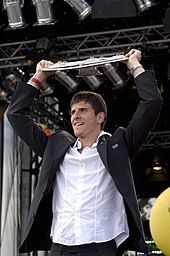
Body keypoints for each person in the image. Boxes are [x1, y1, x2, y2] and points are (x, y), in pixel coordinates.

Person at [7, 49, 162, 256]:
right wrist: (38, 78)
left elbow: (152, 103)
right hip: (61, 246)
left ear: (100, 117)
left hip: (103, 246)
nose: (75, 116)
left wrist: (134, 65)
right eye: (72, 111)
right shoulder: (56, 148)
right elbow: (15, 114)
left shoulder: (118, 145)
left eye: (83, 110)